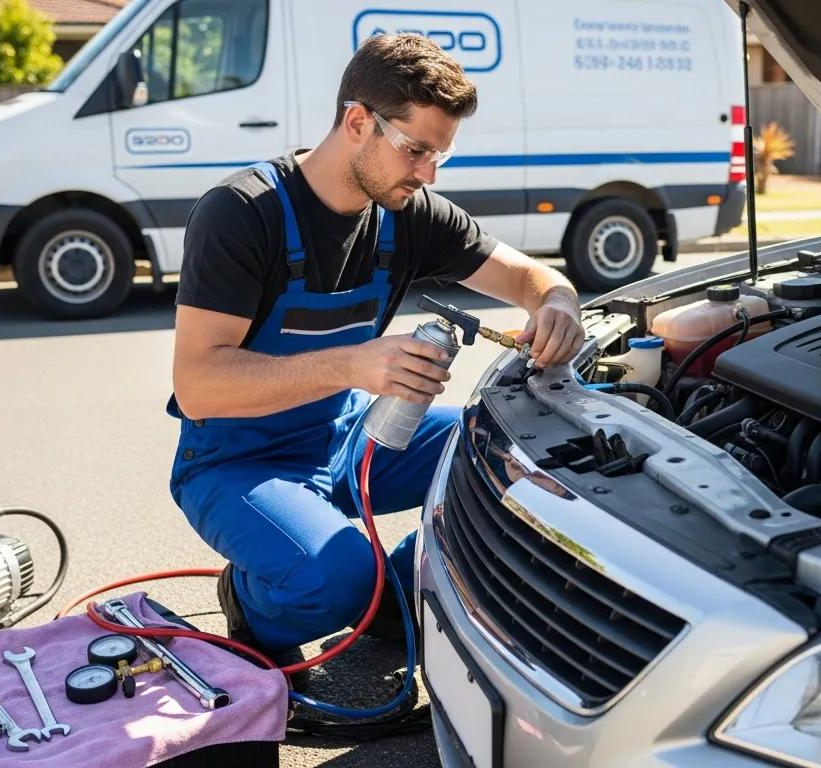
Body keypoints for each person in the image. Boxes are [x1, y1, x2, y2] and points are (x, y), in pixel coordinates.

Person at [166, 34, 585, 678]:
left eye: (439, 154)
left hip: (347, 437)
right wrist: (353, 365)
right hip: (237, 461)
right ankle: (252, 602)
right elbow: (199, 385)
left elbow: (530, 276)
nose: (428, 174)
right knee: (334, 580)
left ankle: (395, 590)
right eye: (416, 150)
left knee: (516, 460)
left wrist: (558, 303)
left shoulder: (409, 215)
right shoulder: (243, 215)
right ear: (357, 121)